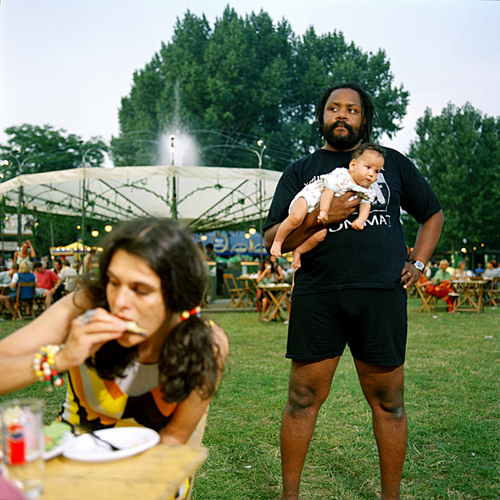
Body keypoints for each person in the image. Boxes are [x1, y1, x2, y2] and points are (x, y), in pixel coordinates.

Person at [263, 82, 444, 500]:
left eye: (352, 110)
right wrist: (324, 219)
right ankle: (289, 497)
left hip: (380, 295)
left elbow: (432, 214)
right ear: (321, 116)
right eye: (333, 108)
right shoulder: (300, 170)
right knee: (302, 398)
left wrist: (417, 263)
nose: (342, 115)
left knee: (389, 402)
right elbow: (275, 236)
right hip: (318, 296)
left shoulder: (392, 163)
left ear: (365, 118)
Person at [0, 218, 228, 500]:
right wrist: (61, 357)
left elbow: (174, 438)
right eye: (113, 282)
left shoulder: (206, 343)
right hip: (67, 458)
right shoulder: (85, 306)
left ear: (177, 295)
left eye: (140, 289)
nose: (120, 301)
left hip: (150, 473)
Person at [271, 143, 384, 269]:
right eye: (367, 167)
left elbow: (366, 204)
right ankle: (278, 241)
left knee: (320, 235)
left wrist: (361, 220)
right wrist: (324, 211)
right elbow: (328, 192)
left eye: (376, 171)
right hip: (310, 198)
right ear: (353, 165)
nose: (371, 174)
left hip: (323, 213)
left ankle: (298, 252)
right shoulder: (342, 175)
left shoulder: (366, 189)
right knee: (296, 217)